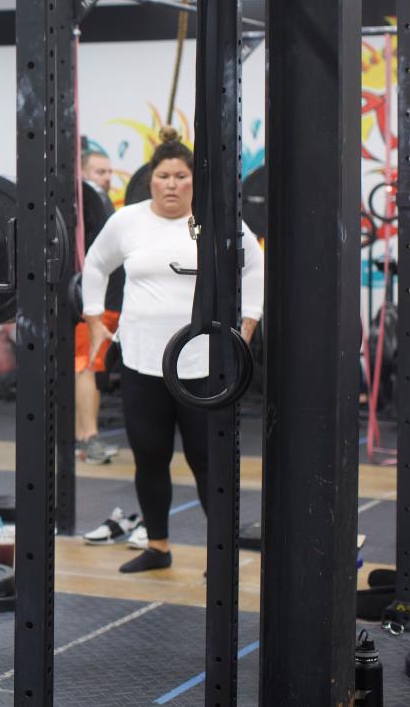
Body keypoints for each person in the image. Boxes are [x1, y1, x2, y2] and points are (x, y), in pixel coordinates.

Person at [81, 130, 263, 573]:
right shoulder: (128, 221)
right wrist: (94, 323)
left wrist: (248, 328)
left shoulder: (217, 220)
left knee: (207, 461)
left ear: (193, 182)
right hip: (143, 362)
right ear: (151, 180)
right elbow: (95, 264)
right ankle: (158, 547)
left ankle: (220, 556)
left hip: (201, 365)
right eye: (164, 175)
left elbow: (254, 262)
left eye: (181, 176)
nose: (172, 184)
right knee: (150, 456)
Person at [75, 147, 121, 465]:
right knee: (87, 365)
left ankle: (82, 439)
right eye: (98, 172)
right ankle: (89, 439)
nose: (106, 178)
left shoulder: (108, 210)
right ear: (81, 175)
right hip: (90, 303)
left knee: (94, 368)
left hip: (113, 299)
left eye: (108, 172)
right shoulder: (76, 212)